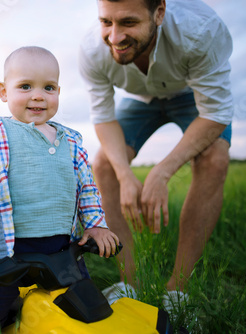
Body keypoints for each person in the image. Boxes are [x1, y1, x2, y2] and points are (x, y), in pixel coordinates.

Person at [0, 46, 120, 333]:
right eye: (25, 86)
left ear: (58, 91)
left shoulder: (72, 142)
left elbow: (88, 190)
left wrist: (96, 226)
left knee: (82, 303)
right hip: (4, 248)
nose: (38, 95)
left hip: (61, 248)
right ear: (3, 91)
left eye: (49, 87)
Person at [79, 0, 233, 307]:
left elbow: (215, 113)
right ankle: (129, 283)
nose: (114, 37)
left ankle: (178, 290)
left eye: (128, 23)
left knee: (214, 158)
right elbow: (103, 117)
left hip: (193, 95)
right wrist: (125, 175)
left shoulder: (202, 30)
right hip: (142, 100)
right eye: (106, 22)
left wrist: (162, 172)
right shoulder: (92, 49)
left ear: (159, 13)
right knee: (105, 164)